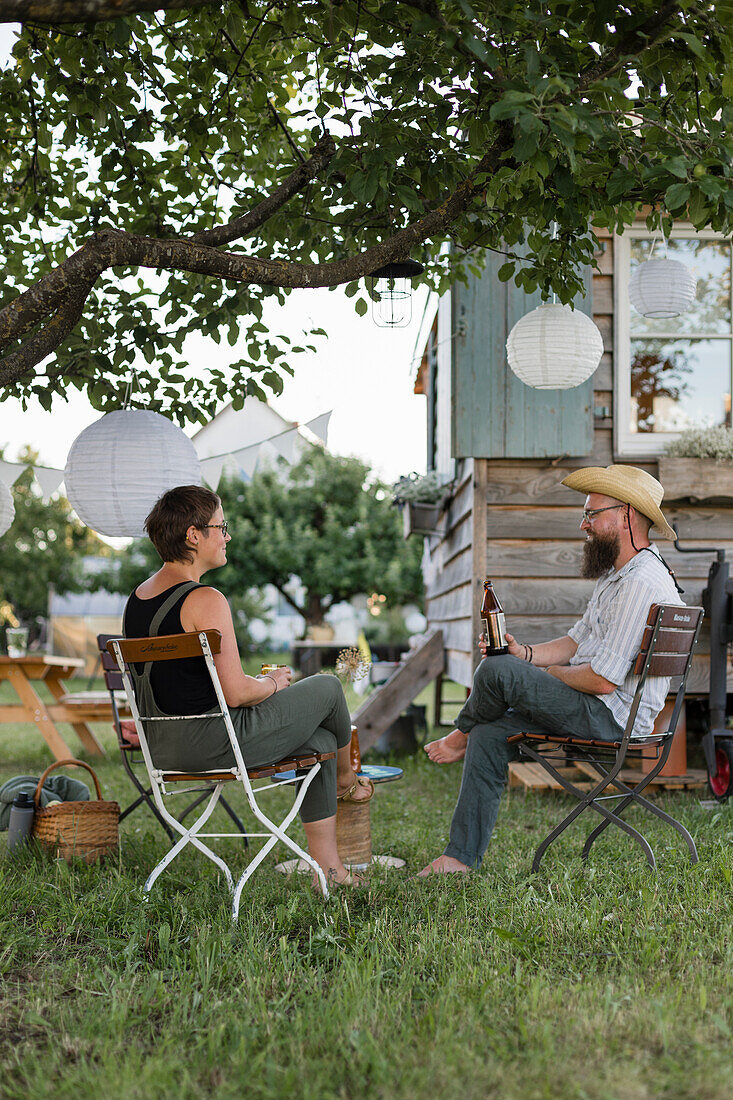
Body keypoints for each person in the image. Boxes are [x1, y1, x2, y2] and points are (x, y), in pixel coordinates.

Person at [418, 465, 685, 876]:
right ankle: (459, 859)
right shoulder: (618, 576)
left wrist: (546, 675)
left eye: (592, 514)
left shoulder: (642, 582)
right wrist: (522, 653)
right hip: (591, 707)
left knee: (494, 672)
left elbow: (601, 680)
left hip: (610, 719)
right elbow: (575, 643)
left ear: (627, 515)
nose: (584, 524)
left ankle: (458, 734)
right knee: (491, 728)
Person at [123, 484, 373, 888]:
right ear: (194, 535)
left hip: (163, 748)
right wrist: (272, 683)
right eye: (221, 527)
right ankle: (347, 782)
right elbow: (237, 694)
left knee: (323, 743)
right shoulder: (205, 599)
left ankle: (330, 871)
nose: (226, 537)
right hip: (217, 743)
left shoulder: (137, 599)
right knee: (327, 688)